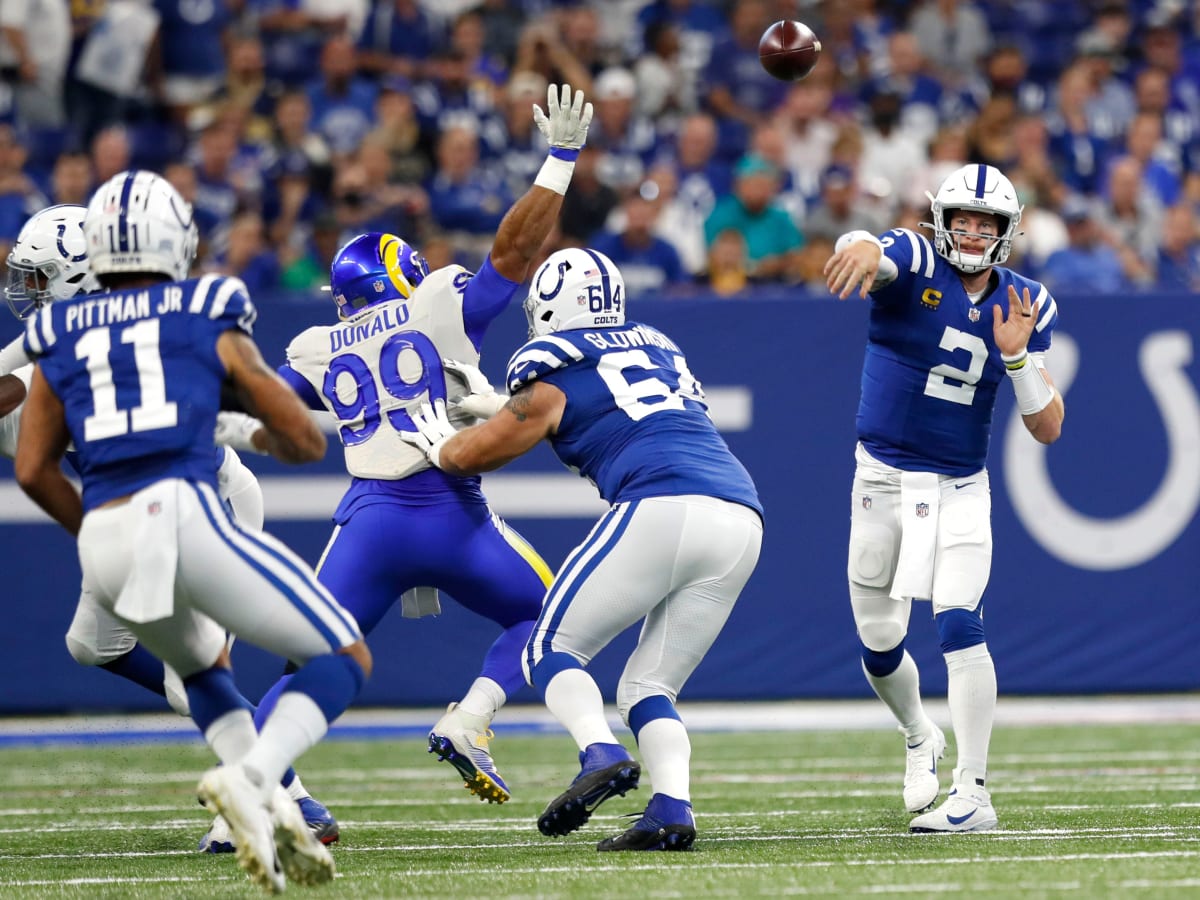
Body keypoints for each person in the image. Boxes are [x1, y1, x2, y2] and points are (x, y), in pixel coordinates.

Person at [230, 84, 593, 809]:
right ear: (400, 276)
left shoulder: (317, 344)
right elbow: (513, 253)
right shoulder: (433, 306)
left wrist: (233, 431)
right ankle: (471, 718)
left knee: (309, 665)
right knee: (551, 620)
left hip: (369, 524)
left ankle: (254, 791)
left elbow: (264, 409)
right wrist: (559, 161)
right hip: (452, 516)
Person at [14, 169, 373, 893]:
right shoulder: (199, 310)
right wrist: (271, 429)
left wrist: (91, 529)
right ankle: (266, 783)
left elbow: (32, 468)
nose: (24, 294)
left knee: (186, 667)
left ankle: (285, 805)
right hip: (182, 511)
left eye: (36, 278)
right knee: (341, 652)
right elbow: (286, 435)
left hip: (145, 518)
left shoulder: (51, 341)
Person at [398, 247, 764, 851]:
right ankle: (673, 807)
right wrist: (495, 406)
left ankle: (599, 752)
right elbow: (589, 404)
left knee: (548, 647)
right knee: (649, 688)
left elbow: (488, 447)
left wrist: (437, 444)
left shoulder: (552, 367)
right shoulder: (653, 347)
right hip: (739, 517)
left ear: (549, 311)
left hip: (661, 503)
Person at [823, 163, 1065, 832]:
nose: (970, 230)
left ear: (1005, 232)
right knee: (877, 642)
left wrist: (1017, 360)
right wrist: (861, 247)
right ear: (942, 219)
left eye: (985, 222)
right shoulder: (916, 257)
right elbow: (880, 251)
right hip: (879, 479)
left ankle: (973, 793)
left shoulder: (1023, 301)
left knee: (960, 622)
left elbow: (1048, 428)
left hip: (960, 485)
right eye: (961, 217)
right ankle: (916, 732)